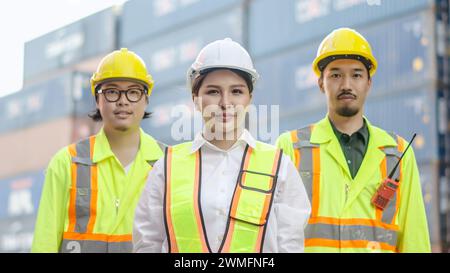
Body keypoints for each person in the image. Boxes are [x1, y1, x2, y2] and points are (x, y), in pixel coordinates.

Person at [133, 38, 311, 253]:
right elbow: (147, 244)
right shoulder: (166, 167)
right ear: (196, 99)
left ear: (249, 98)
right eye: (213, 92)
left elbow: (290, 246)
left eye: (236, 91)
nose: (225, 103)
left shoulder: (279, 166)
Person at [276, 28, 431, 253]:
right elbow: (272, 237)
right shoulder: (290, 147)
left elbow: (415, 240)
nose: (346, 84)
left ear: (369, 82)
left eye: (356, 75)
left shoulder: (398, 152)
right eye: (336, 75)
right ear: (321, 83)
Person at [31, 48, 166, 253]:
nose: (123, 100)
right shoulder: (67, 162)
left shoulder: (170, 163)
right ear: (97, 99)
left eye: (133, 92)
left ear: (146, 99)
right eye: (112, 91)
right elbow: (44, 243)